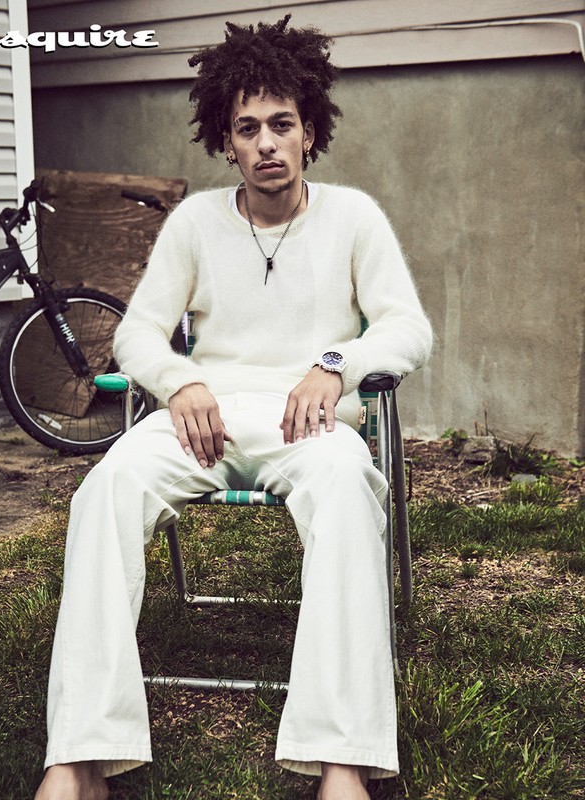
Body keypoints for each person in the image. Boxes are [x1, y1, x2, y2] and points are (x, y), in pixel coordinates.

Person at [35, 15, 432, 800]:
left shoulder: (353, 218)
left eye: (282, 124)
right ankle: (79, 757)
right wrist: (179, 382)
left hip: (312, 427)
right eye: (248, 128)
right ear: (226, 142)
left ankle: (342, 762)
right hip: (202, 422)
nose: (267, 143)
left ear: (310, 131)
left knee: (348, 488)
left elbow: (407, 328)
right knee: (103, 490)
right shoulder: (196, 224)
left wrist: (335, 363)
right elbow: (138, 333)